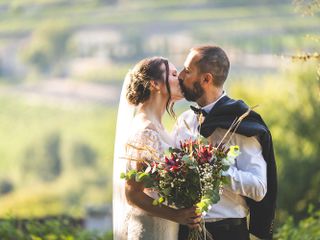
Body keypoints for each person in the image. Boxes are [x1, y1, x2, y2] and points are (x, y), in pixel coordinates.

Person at [173, 45, 277, 240]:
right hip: (185, 231)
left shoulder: (241, 123)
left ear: (206, 79)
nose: (180, 75)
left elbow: (259, 188)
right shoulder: (184, 121)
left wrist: (217, 171)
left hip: (227, 233)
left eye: (188, 71)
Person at [112, 57, 201, 240]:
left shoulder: (160, 127)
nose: (181, 79)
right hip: (151, 230)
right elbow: (133, 193)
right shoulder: (145, 131)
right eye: (174, 74)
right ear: (155, 83)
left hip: (167, 228)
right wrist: (176, 215)